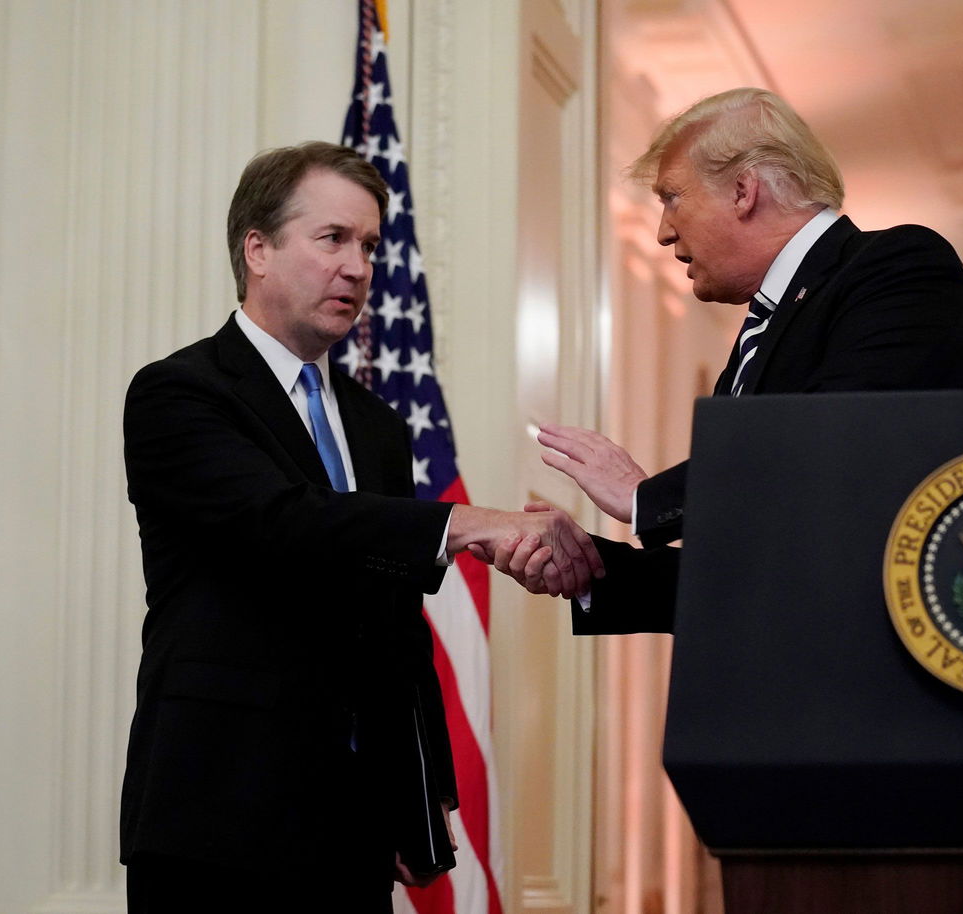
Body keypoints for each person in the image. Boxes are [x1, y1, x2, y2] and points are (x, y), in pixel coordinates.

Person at [119, 141, 602, 913]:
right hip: (217, 817)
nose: (358, 267)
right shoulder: (180, 394)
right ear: (259, 250)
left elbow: (396, 625)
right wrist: (463, 524)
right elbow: (284, 523)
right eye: (333, 239)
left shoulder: (376, 426)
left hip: (353, 826)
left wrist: (424, 793)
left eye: (370, 246)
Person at [484, 87, 963, 632]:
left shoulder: (898, 266)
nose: (661, 231)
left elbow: (835, 447)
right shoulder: (765, 330)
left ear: (742, 190)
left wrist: (646, 498)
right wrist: (590, 570)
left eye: (672, 197)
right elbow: (762, 570)